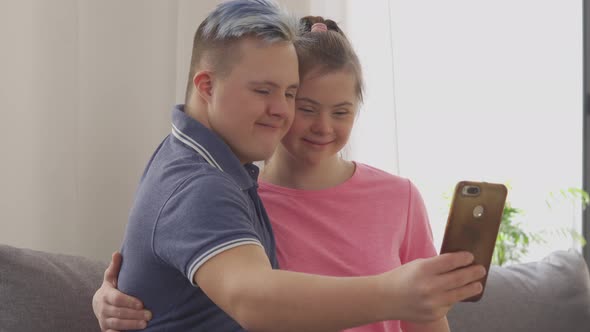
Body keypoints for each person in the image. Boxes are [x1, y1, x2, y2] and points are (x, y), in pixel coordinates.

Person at [93, 1, 486, 331]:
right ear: (207, 86)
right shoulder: (204, 184)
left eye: (289, 93)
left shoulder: (219, 170)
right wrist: (395, 293)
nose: (280, 109)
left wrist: (119, 289)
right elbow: (252, 296)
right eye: (265, 91)